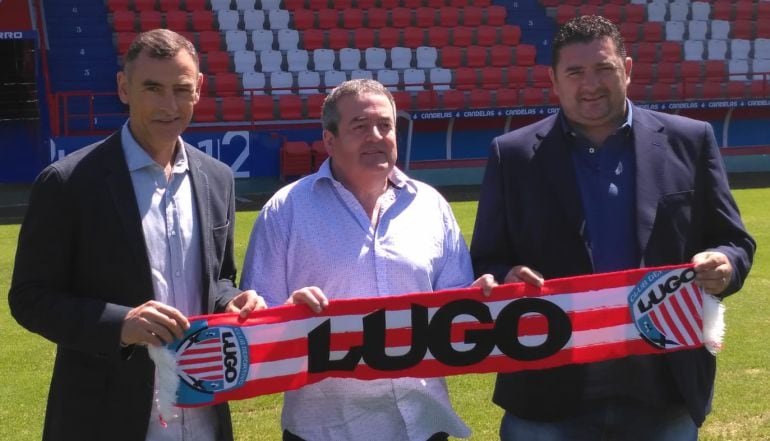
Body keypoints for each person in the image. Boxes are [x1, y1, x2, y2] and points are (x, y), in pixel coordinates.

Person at [470, 15, 756, 441]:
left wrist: (726, 264)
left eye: (604, 68)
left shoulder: (690, 141)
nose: (591, 84)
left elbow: (734, 240)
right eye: (575, 72)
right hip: (546, 390)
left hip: (661, 388)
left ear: (627, 68)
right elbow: (487, 256)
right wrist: (507, 276)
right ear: (553, 79)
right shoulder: (511, 155)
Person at [8, 29, 265, 441]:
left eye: (181, 89)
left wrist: (231, 300)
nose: (169, 105)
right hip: (106, 419)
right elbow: (30, 297)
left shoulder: (217, 179)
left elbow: (217, 279)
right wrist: (120, 323)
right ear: (124, 88)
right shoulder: (67, 182)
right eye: (152, 88)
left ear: (198, 89)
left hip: (202, 416)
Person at [240, 79, 496, 441]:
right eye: (360, 127)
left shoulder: (431, 205)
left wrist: (478, 299)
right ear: (329, 140)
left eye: (385, 126)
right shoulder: (285, 210)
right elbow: (255, 322)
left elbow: (454, 308)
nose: (376, 136)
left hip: (421, 422)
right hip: (323, 429)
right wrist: (286, 312)